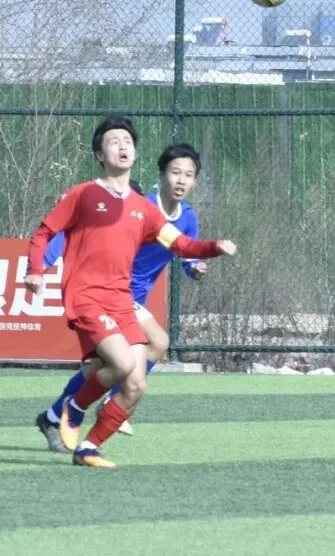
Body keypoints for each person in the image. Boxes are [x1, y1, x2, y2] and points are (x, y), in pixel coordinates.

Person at [25, 116, 235, 469]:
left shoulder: (145, 210)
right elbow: (49, 233)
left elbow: (183, 245)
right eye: (114, 141)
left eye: (128, 141)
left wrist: (213, 248)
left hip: (121, 299)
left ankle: (86, 446)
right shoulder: (84, 194)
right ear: (98, 154)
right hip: (89, 296)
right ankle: (73, 408)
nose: (123, 146)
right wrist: (36, 269)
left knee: (134, 383)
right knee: (122, 364)